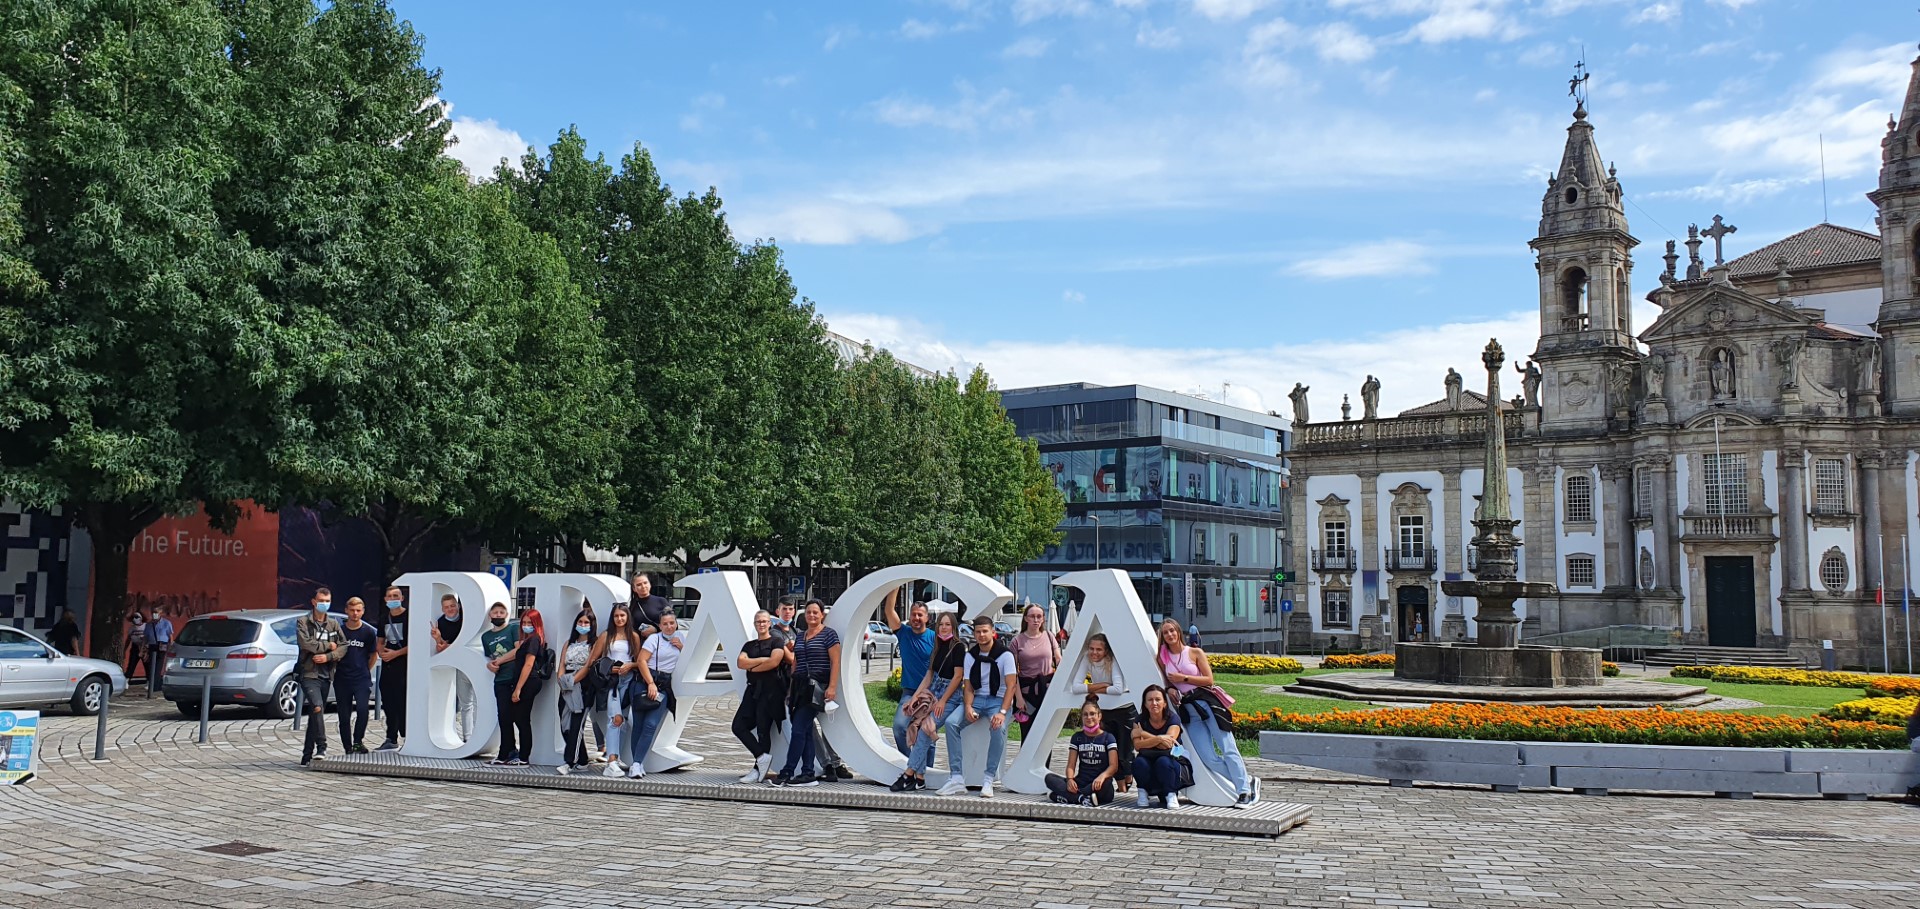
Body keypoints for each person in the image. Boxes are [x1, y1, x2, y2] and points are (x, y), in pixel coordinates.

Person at [1157, 618, 1254, 805]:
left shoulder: (1194, 652)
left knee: (1228, 748)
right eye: (1165, 632)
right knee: (1207, 757)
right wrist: (1170, 688)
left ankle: (1244, 791)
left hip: (1207, 702)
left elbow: (1209, 680)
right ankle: (1247, 780)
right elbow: (1166, 680)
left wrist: (1183, 678)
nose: (1169, 635)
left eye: (1172, 631)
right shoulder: (1162, 658)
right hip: (1188, 709)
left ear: (1178, 631)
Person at [937, 615, 1016, 799]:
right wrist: (968, 706)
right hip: (978, 698)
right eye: (978, 632)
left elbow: (1011, 686)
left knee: (998, 727)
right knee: (951, 723)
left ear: (993, 632)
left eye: (985, 631)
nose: (981, 635)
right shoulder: (970, 656)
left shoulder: (1006, 655)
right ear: (974, 634)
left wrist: (1003, 713)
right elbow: (969, 685)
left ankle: (988, 778)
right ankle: (956, 777)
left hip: (998, 700)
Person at [893, 611, 966, 792]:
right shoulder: (937, 646)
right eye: (941, 624)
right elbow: (929, 675)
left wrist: (943, 702)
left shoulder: (958, 647)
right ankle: (919, 777)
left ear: (954, 627)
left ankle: (908, 775)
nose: (944, 628)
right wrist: (915, 697)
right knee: (916, 727)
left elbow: (958, 677)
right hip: (933, 691)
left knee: (926, 730)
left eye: (947, 624)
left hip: (950, 696)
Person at [772, 600, 841, 787]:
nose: (811, 616)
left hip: (816, 687)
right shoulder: (801, 636)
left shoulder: (829, 635)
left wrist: (832, 687)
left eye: (815, 612)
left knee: (799, 729)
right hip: (799, 687)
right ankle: (808, 772)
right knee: (807, 732)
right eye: (809, 612)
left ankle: (787, 772)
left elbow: (835, 662)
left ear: (822, 615)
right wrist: (790, 690)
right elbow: (795, 663)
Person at [1069, 633, 1134, 795]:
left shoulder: (1113, 660)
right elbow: (1076, 687)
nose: (1094, 652)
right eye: (1091, 648)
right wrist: (1102, 685)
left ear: (1106, 651)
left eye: (1099, 649)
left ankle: (1128, 777)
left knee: (1125, 752)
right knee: (1111, 750)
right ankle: (1122, 788)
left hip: (1124, 710)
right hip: (1105, 710)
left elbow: (1118, 689)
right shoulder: (1086, 659)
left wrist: (1094, 687)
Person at [624, 609, 684, 779]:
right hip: (645, 681)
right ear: (659, 625)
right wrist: (650, 683)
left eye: (672, 623)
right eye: (665, 623)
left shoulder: (681, 637)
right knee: (638, 724)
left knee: (650, 724)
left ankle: (636, 763)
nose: (669, 626)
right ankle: (636, 764)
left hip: (664, 685)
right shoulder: (653, 639)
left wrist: (682, 647)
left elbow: (688, 661)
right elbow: (642, 660)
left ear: (676, 623)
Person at [732, 610, 789, 783]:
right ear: (755, 624)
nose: (761, 624)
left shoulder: (777, 641)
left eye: (764, 621)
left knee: (763, 731)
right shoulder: (749, 645)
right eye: (758, 622)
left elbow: (774, 662)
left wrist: (753, 666)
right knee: (738, 726)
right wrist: (763, 661)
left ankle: (758, 771)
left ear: (769, 623)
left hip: (771, 692)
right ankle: (761, 757)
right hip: (753, 691)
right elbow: (740, 662)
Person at [588, 603, 643, 777]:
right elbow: (593, 660)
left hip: (627, 680)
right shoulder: (606, 636)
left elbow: (640, 660)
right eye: (616, 616)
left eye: (622, 616)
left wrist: (631, 666)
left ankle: (616, 757)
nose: (619, 619)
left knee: (624, 720)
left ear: (627, 617)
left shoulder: (633, 636)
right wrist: (608, 668)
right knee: (615, 719)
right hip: (611, 681)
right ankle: (611, 762)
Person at [882, 589, 937, 756]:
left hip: (931, 693)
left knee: (927, 732)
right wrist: (895, 584)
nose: (916, 618)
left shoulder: (935, 638)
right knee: (899, 727)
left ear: (927, 618)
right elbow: (889, 610)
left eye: (920, 615)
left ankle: (927, 774)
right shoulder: (904, 633)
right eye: (913, 615)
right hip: (909, 692)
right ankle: (909, 764)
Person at [296, 596, 346, 765]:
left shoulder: (333, 624)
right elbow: (305, 644)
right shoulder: (303, 622)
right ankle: (322, 746)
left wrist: (329, 656)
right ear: (313, 601)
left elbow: (343, 645)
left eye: (328, 600)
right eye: (321, 600)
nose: (324, 603)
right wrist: (327, 645)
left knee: (315, 713)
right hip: (309, 673)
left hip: (326, 674)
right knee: (317, 706)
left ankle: (306, 755)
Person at [1044, 698, 1119, 806]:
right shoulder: (1077, 737)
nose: (1089, 717)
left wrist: (1102, 776)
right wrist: (1070, 780)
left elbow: (1113, 766)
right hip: (1081, 782)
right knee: (1049, 778)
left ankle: (1064, 796)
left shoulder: (1108, 737)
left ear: (1099, 716)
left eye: (1092, 714)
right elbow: (1071, 765)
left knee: (1106, 782)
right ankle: (1082, 798)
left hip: (1100, 784)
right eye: (1085, 714)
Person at [333, 597, 380, 754]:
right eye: (352, 610)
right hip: (342, 678)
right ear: (346, 610)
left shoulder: (367, 632)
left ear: (363, 611)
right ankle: (347, 746)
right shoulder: (340, 631)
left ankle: (358, 741)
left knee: (362, 710)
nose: (355, 613)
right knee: (344, 715)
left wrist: (365, 669)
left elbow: (373, 654)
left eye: (358, 610)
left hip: (361, 678)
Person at [556, 606, 600, 773]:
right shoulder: (569, 642)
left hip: (582, 687)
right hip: (566, 685)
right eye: (580, 621)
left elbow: (589, 665)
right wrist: (562, 680)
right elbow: (561, 663)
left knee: (576, 725)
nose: (583, 624)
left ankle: (569, 762)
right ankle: (582, 759)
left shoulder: (594, 644)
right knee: (564, 723)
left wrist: (574, 680)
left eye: (586, 622)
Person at [480, 602, 525, 765]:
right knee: (503, 716)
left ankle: (522, 752)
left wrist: (500, 660)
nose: (498, 615)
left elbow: (518, 649)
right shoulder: (486, 637)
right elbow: (490, 657)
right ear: (490, 616)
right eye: (495, 612)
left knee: (518, 717)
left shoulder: (513, 629)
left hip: (515, 677)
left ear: (507, 614)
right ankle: (506, 751)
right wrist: (491, 665)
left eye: (501, 612)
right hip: (500, 680)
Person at [1011, 603, 1062, 743]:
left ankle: (1044, 765)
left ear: (1043, 619)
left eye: (1039, 616)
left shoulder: (1049, 636)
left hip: (1047, 690)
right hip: (1027, 693)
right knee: (1027, 736)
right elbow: (1013, 672)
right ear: (1026, 619)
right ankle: (1026, 765)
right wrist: (1019, 698)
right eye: (1032, 616)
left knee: (1046, 736)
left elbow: (1058, 659)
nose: (1036, 620)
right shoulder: (1017, 641)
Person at [1131, 684, 1185, 809]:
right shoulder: (1139, 720)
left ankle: (1171, 794)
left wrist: (1143, 734)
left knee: (1163, 762)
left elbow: (1168, 745)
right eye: (1150, 700)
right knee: (1139, 762)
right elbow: (1138, 746)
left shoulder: (1173, 719)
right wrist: (1160, 738)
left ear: (1165, 703)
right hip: (1147, 759)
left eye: (1158, 699)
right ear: (1145, 704)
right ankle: (1142, 792)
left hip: (1171, 760)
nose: (1154, 703)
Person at [430, 594, 474, 741]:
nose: (450, 609)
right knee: (465, 702)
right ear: (442, 609)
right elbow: (442, 646)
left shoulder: (467, 618)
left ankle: (477, 735)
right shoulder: (440, 623)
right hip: (457, 665)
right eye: (447, 607)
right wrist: (438, 638)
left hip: (472, 661)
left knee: (478, 702)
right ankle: (468, 737)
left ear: (458, 606)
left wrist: (448, 646)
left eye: (452, 606)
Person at [375, 587, 410, 751]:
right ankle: (391, 737)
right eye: (389, 596)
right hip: (388, 666)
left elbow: (416, 643)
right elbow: (380, 640)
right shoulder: (384, 618)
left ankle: (408, 737)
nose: (392, 598)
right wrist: (381, 652)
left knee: (403, 702)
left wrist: (396, 653)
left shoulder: (410, 616)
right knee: (388, 702)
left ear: (402, 597)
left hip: (405, 666)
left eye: (395, 596)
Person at [144, 606, 174, 693]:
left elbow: (170, 636)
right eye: (153, 612)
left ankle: (155, 685)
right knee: (150, 666)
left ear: (160, 614)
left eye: (156, 613)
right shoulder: (149, 624)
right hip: (152, 645)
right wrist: (143, 649)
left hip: (162, 645)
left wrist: (170, 647)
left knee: (158, 666)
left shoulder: (166, 623)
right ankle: (152, 684)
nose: (154, 614)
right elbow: (145, 637)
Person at [125, 610, 147, 681]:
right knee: (131, 665)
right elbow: (128, 639)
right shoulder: (132, 628)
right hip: (135, 647)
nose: (135, 618)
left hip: (144, 648)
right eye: (134, 617)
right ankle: (127, 681)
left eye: (136, 617)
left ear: (141, 618)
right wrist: (124, 650)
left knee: (147, 665)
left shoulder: (146, 626)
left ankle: (149, 681)